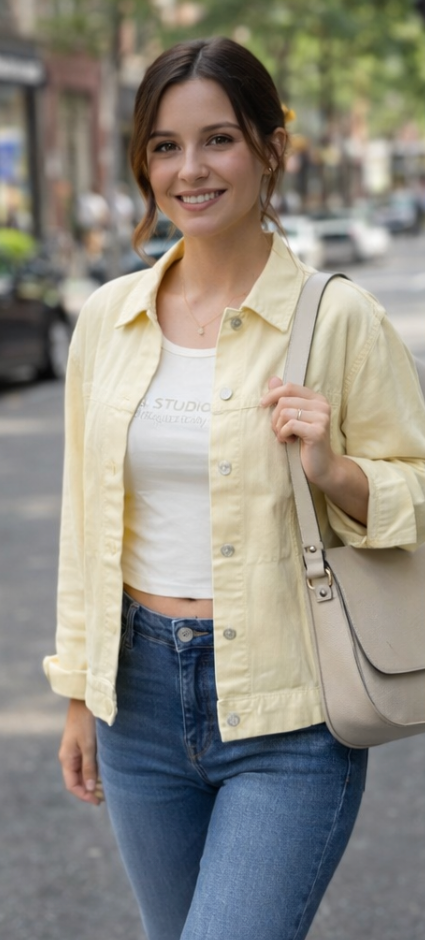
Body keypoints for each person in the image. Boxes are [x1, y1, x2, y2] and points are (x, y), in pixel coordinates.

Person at [44, 37, 425, 940]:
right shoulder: (109, 319)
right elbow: (85, 516)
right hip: (132, 698)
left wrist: (334, 471)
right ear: (144, 163)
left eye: (218, 139)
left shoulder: (338, 318)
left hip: (289, 711)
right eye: (165, 147)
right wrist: (77, 691)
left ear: (267, 148)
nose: (191, 169)